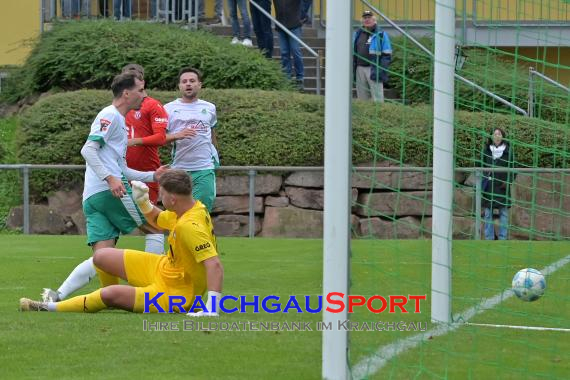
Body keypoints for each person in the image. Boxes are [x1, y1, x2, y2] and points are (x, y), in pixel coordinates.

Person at [20, 170, 224, 315]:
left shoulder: (189, 225)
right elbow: (159, 220)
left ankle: (48, 307)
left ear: (172, 199)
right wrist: (143, 201)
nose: (159, 198)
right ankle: (108, 300)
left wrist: (212, 307)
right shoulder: (192, 207)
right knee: (101, 256)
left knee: (109, 294)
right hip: (164, 268)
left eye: (161, 194)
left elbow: (214, 264)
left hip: (177, 293)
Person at [40, 73, 169, 303]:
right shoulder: (110, 115)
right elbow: (88, 150)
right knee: (156, 229)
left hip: (93, 196)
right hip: (110, 192)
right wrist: (110, 179)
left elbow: (121, 168)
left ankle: (57, 295)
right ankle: (156, 289)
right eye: (140, 90)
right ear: (126, 93)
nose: (144, 94)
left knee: (103, 256)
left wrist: (153, 175)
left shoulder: (119, 119)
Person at [121, 63, 169, 255]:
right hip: (120, 173)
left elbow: (161, 137)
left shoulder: (152, 105)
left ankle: (154, 266)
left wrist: (134, 142)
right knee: (114, 222)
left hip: (146, 172)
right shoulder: (117, 109)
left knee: (150, 221)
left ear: (142, 81)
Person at [164, 68, 219, 213]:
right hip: (179, 170)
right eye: (184, 81)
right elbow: (159, 139)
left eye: (192, 81)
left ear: (199, 85)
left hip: (204, 168)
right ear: (179, 86)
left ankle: (203, 236)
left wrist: (216, 155)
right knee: (178, 213)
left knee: (201, 212)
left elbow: (212, 134)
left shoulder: (210, 108)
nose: (188, 84)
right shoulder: (168, 109)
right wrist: (177, 135)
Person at [481, 128, 515, 240]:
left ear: (503, 136)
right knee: (487, 213)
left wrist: (508, 181)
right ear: (491, 136)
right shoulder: (486, 150)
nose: (497, 136)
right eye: (495, 134)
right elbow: (481, 166)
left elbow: (513, 169)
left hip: (502, 187)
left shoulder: (508, 152)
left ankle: (503, 238)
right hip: (489, 187)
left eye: (499, 134)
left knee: (504, 214)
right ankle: (489, 237)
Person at [352, 10, 392, 103]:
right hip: (359, 69)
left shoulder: (381, 34)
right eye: (365, 18)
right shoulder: (357, 33)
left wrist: (381, 69)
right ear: (362, 21)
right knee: (362, 98)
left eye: (369, 18)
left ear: (374, 20)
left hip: (374, 68)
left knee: (377, 99)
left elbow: (387, 54)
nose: (367, 20)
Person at [273, 0, 304, 89]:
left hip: (294, 25)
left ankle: (300, 78)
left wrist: (303, 14)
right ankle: (287, 78)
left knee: (295, 51)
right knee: (284, 53)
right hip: (281, 25)